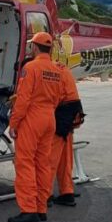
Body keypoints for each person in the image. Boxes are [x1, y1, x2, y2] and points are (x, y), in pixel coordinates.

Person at [7, 31, 76, 222]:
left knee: (25, 163)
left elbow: (23, 99)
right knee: (43, 163)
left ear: (35, 47)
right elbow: (58, 97)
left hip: (33, 117)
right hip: (49, 118)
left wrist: (14, 123)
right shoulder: (57, 70)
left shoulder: (31, 68)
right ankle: (41, 208)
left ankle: (28, 210)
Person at [47, 75, 84, 208]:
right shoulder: (61, 68)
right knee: (65, 156)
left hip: (60, 113)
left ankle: (46, 195)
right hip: (72, 112)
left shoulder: (42, 69)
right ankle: (67, 192)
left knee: (50, 158)